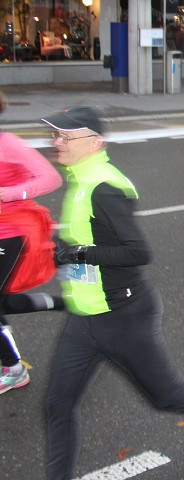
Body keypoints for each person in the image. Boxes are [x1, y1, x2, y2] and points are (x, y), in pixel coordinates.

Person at [41, 107, 184, 480]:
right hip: (86, 318)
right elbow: (91, 239)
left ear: (95, 142)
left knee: (165, 395)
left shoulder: (104, 187)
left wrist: (77, 253)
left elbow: (138, 252)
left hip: (124, 316)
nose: (56, 143)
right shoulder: (80, 179)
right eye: (55, 136)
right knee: (57, 404)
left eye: (65, 136)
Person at [0, 90, 63, 394]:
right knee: (3, 302)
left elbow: (51, 178)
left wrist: (10, 193)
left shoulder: (9, 144)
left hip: (11, 230)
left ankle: (12, 369)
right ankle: (69, 304)